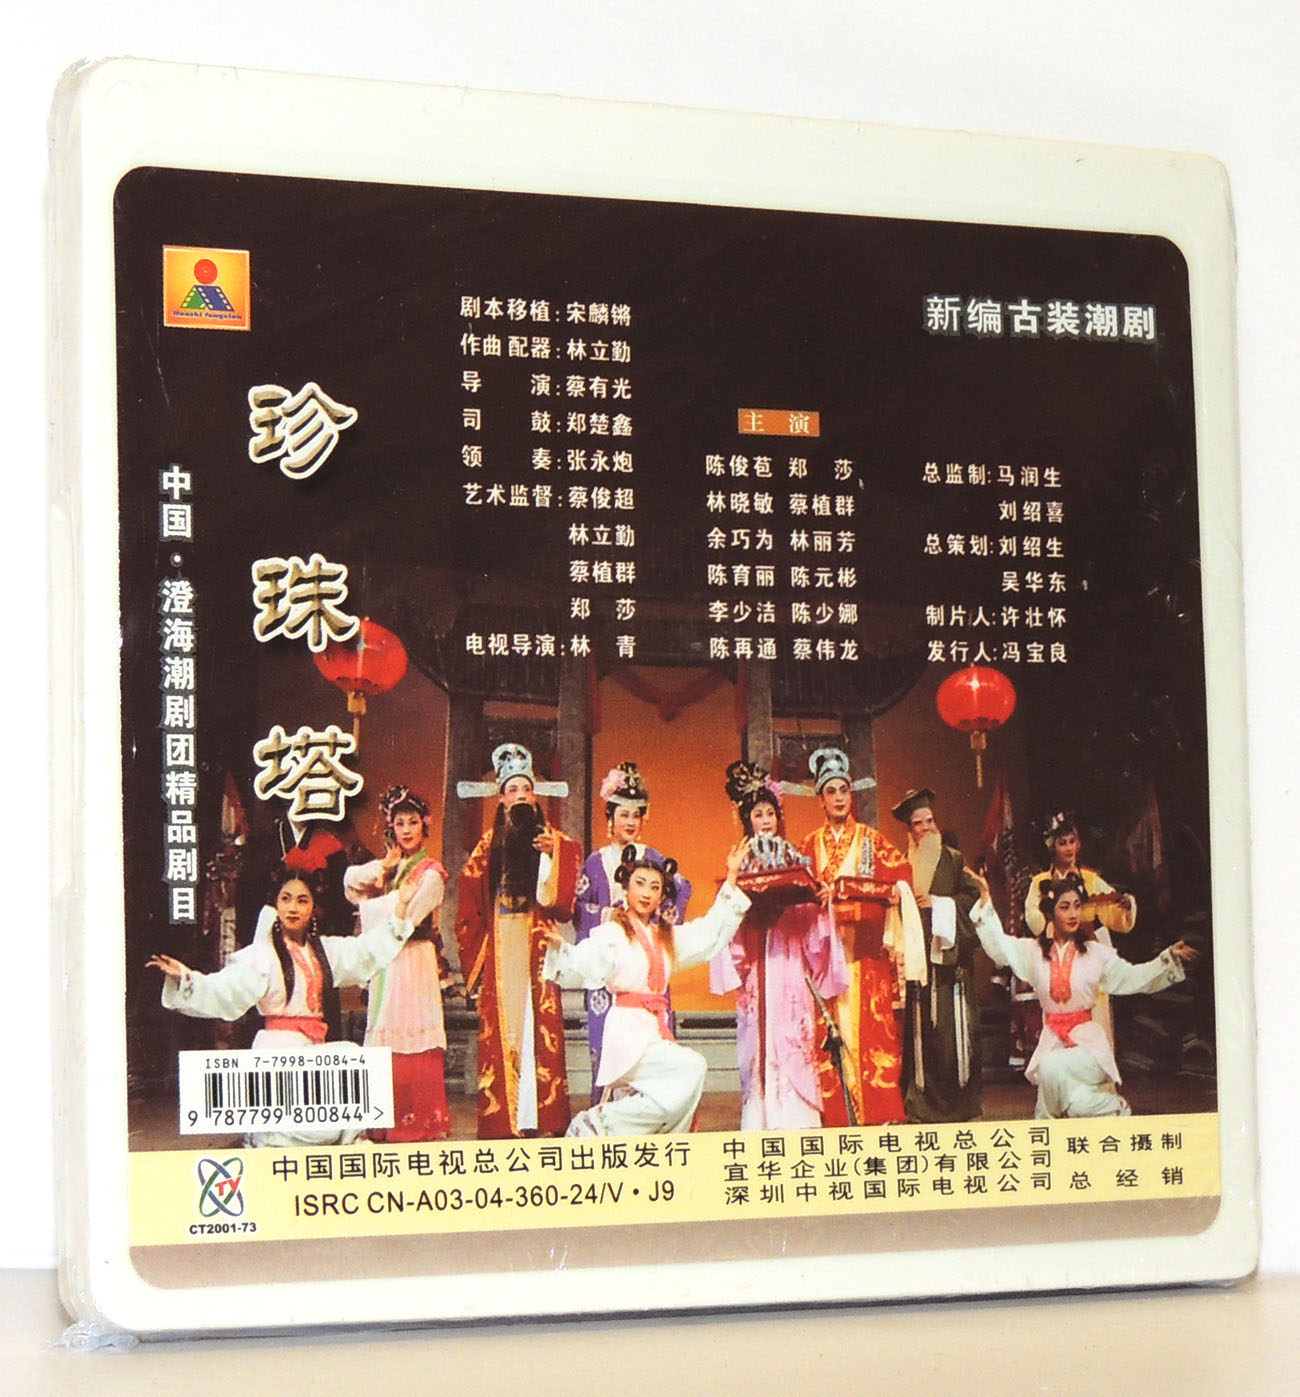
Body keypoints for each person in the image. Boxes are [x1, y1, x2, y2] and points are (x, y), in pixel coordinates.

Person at [148, 871, 419, 1146]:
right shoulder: (262, 956)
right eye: (286, 899)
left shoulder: (323, 952)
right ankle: (269, 1133)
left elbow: (365, 951)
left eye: (302, 900)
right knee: (313, 1124)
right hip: (277, 1051)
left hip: (311, 1051)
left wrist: (401, 907)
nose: (293, 908)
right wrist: (186, 978)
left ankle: (347, 1139)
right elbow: (225, 988)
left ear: (313, 908)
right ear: (276, 905)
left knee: (352, 1060)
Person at [543, 841, 751, 1136]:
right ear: (626, 888)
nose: (646, 893)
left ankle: (632, 1132)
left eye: (655, 888)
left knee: (675, 1092)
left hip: (652, 1031)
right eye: (639, 883)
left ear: (661, 897)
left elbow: (708, 933)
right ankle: (600, 1123)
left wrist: (731, 878)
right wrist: (561, 949)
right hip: (627, 1033)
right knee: (691, 1067)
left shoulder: (664, 938)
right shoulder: (612, 933)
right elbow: (586, 959)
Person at [970, 869, 1197, 1118]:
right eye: (1065, 907)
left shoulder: (1095, 953)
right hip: (1053, 1041)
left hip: (1088, 1046)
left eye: (1077, 906)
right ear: (1050, 913)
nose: (1073, 914)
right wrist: (985, 901)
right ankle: (1110, 1108)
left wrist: (1167, 958)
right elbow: (1000, 948)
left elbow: (1133, 978)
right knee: (1076, 1103)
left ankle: (1046, 1124)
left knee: (1050, 1068)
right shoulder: (1034, 953)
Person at [709, 761, 850, 1129]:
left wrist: (820, 901)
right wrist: (735, 884)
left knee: (791, 1030)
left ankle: (796, 1113)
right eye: (758, 814)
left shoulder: (793, 857)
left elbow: (809, 912)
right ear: (748, 820)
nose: (766, 821)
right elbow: (728, 914)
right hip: (757, 958)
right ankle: (759, 1114)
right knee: (758, 1035)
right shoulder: (740, 859)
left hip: (788, 957)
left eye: (770, 813)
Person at [455, 743, 581, 1138]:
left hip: (537, 943)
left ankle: (545, 1119)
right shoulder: (486, 846)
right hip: (501, 946)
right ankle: (504, 1122)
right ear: (501, 798)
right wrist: (478, 959)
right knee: (505, 1028)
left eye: (527, 789)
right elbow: (468, 905)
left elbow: (562, 905)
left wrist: (552, 855)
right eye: (513, 790)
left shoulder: (554, 840)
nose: (521, 796)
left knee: (538, 1025)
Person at [796, 747, 912, 1125]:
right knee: (827, 1035)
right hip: (824, 955)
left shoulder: (871, 840)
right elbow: (798, 891)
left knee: (874, 1034)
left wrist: (865, 893)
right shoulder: (808, 845)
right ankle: (835, 1114)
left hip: (864, 951)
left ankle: (879, 1111)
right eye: (831, 791)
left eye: (844, 790)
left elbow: (901, 877)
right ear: (820, 799)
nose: (839, 798)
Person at [576, 762, 691, 1103]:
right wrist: (609, 914)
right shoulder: (594, 862)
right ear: (609, 818)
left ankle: (649, 1109)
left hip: (645, 960)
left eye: (636, 815)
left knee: (651, 1042)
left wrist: (653, 918)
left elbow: (681, 889)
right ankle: (607, 1110)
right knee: (605, 1041)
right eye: (623, 814)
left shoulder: (653, 858)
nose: (630, 822)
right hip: (610, 962)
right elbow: (578, 907)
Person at [343, 785, 451, 1142]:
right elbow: (350, 885)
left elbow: (406, 917)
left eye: (413, 822)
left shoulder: (431, 873)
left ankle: (417, 1122)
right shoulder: (391, 869)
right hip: (387, 960)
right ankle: (382, 1120)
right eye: (400, 823)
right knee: (385, 1024)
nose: (406, 830)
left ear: (424, 826)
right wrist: (383, 866)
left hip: (413, 959)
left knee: (410, 1027)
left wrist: (374, 907)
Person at [891, 788, 983, 1123]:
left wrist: (939, 905)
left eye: (930, 820)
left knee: (952, 1037)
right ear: (910, 830)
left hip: (951, 964)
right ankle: (922, 1105)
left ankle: (960, 1105)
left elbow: (973, 900)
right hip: (920, 966)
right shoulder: (902, 865)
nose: (927, 828)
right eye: (919, 823)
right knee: (923, 1037)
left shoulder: (954, 859)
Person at [1023, 811, 1137, 1043]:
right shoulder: (1041, 882)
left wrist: (1125, 905)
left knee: (1096, 1015)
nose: (1068, 848)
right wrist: (1046, 915)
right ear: (1052, 847)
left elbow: (1114, 912)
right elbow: (1033, 918)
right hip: (1057, 951)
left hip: (1088, 950)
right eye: (1062, 843)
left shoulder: (1091, 879)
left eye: (1072, 841)